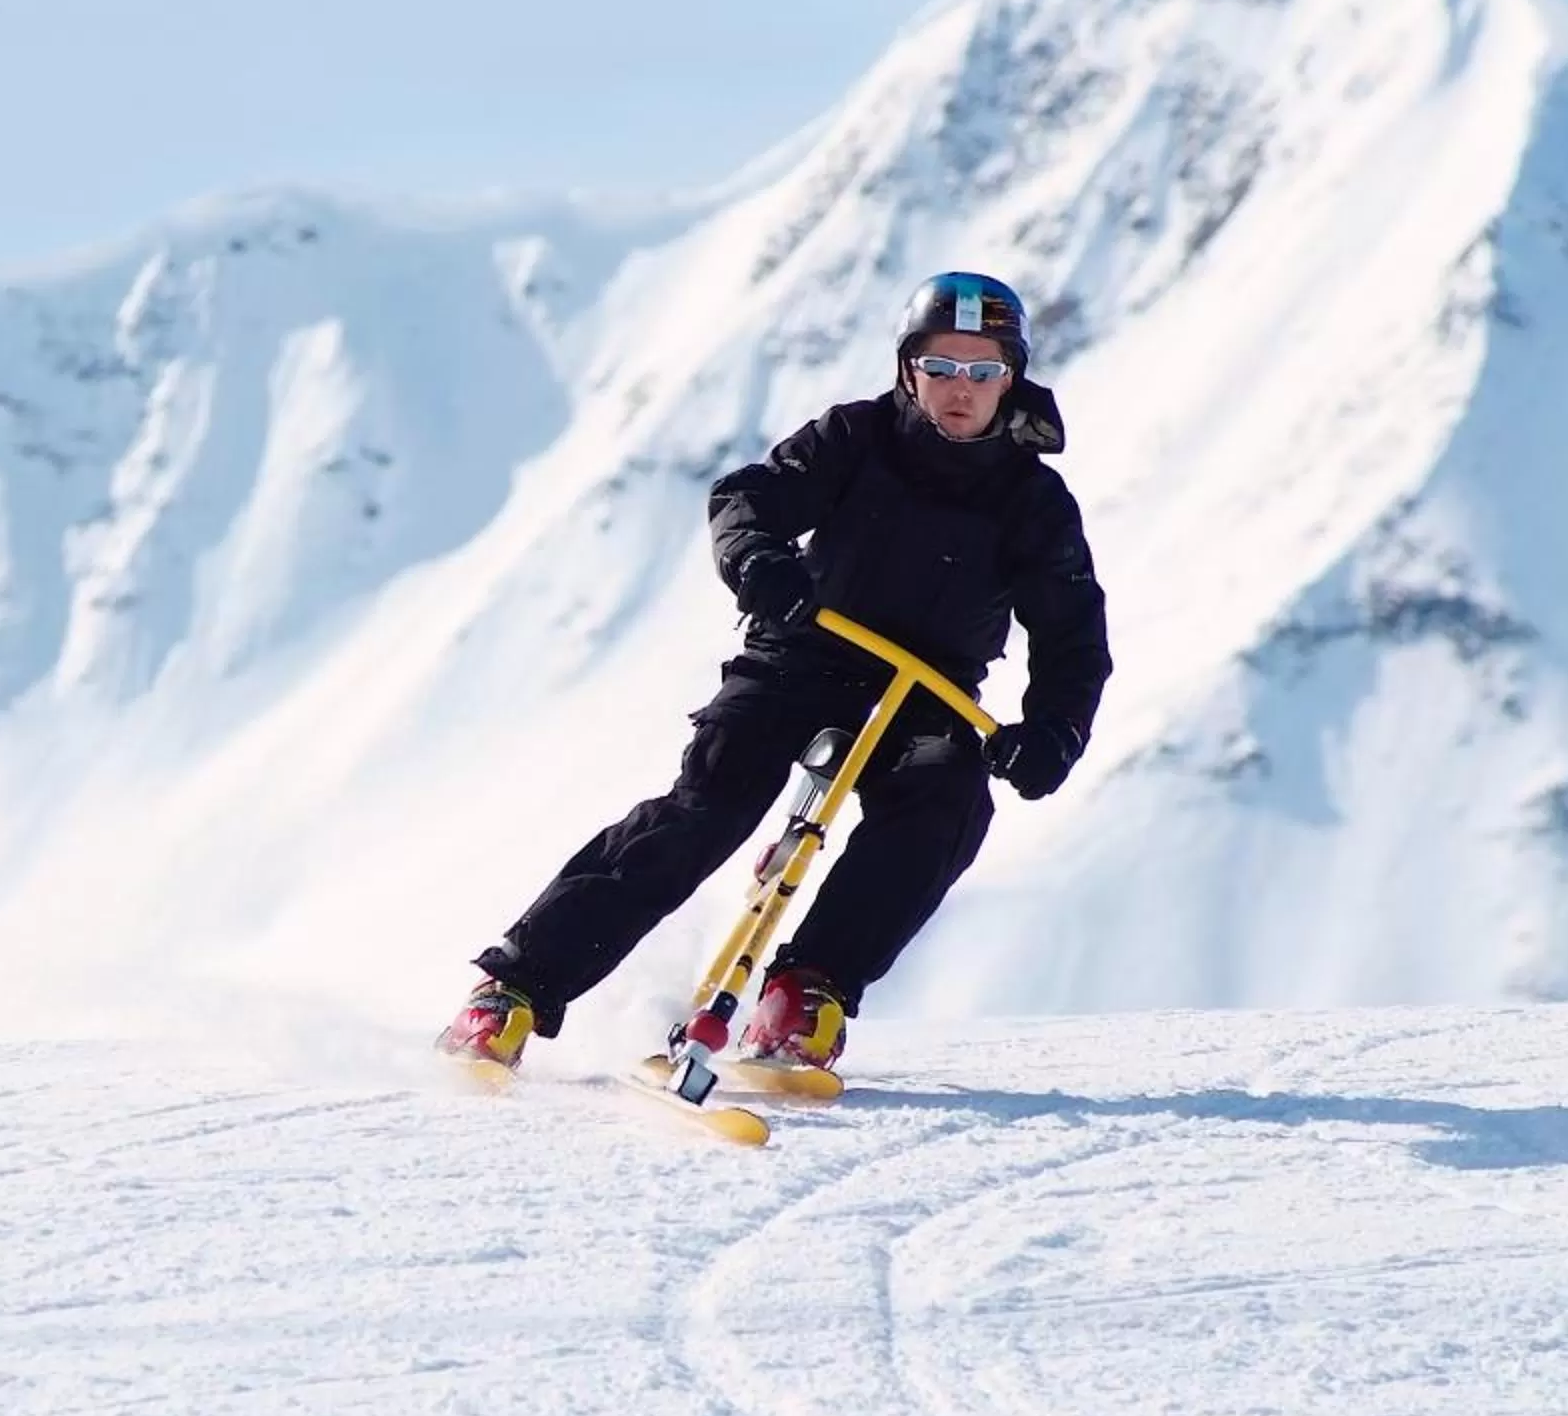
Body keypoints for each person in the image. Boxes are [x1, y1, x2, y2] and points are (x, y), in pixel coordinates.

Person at [440, 270, 1111, 1075]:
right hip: (801, 653)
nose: (959, 390)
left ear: (1013, 378)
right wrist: (757, 559)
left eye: (982, 370)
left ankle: (806, 994)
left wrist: (1055, 732)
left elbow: (1072, 634)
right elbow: (748, 498)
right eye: (940, 367)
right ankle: (512, 991)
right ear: (907, 370)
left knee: (945, 799)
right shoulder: (853, 439)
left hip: (924, 696)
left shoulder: (1033, 502)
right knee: (710, 805)